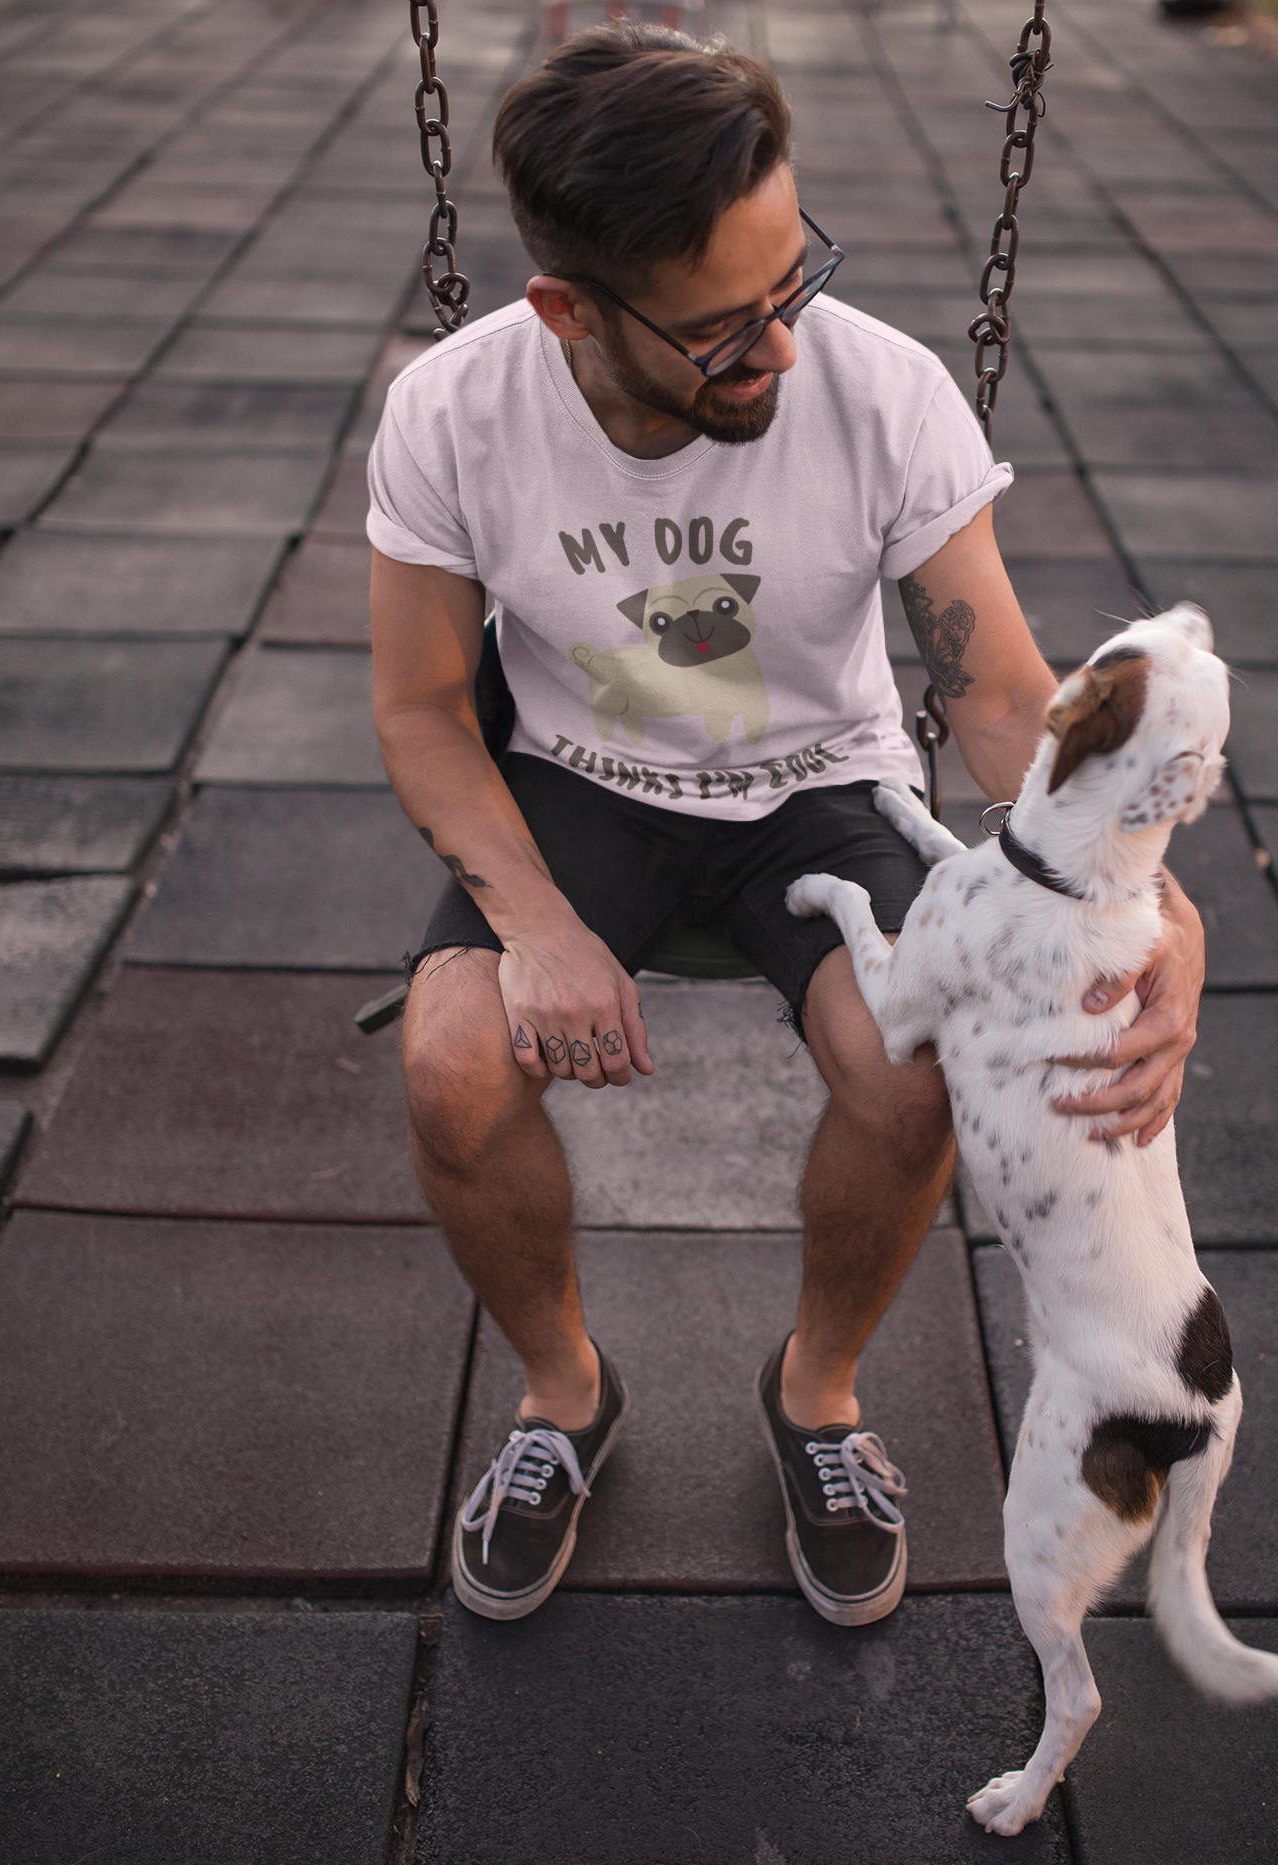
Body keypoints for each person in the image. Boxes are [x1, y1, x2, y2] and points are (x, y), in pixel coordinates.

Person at [366, 22, 1205, 1628]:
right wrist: (537, 928)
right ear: (568, 312)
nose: (783, 350)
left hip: (822, 779)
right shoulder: (457, 413)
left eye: (792, 284)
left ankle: (817, 1393)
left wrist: (1156, 902)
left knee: (912, 1082)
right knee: (452, 1064)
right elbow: (417, 707)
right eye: (721, 330)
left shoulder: (879, 394)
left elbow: (1005, 705)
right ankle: (562, 1397)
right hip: (574, 778)